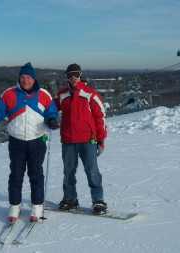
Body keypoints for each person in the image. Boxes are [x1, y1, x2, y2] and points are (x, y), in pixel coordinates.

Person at [0, 62, 59, 222]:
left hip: (37, 140)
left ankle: (37, 205)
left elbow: (51, 110)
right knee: (16, 175)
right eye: (22, 77)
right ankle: (14, 205)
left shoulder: (43, 94)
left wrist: (52, 120)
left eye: (28, 77)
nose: (25, 80)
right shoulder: (9, 94)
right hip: (17, 141)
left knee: (36, 175)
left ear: (34, 79)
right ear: (19, 79)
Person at [54, 63, 108, 215]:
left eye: (76, 75)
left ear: (80, 75)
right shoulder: (62, 95)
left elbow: (100, 118)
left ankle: (98, 201)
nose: (73, 78)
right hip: (68, 140)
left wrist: (101, 140)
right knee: (68, 172)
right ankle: (70, 198)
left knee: (92, 171)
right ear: (67, 77)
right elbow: (50, 109)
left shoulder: (91, 94)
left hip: (87, 140)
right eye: (70, 75)